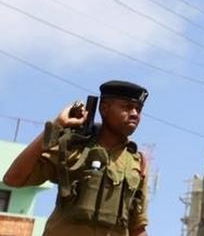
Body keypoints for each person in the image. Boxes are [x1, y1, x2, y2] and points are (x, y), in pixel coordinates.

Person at [3, 80, 150, 236]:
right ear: (104, 108)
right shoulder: (73, 148)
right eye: (127, 107)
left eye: (138, 109)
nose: (134, 113)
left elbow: (137, 228)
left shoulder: (137, 163)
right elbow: (13, 179)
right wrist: (57, 126)